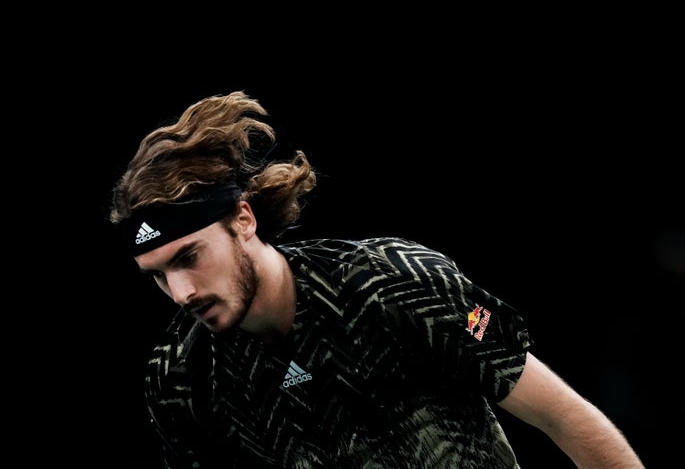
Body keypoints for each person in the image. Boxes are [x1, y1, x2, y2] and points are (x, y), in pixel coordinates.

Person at [108, 90, 645, 469]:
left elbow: (566, 420)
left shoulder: (395, 281)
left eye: (190, 257)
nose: (181, 293)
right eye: (158, 276)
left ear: (243, 220)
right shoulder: (180, 378)